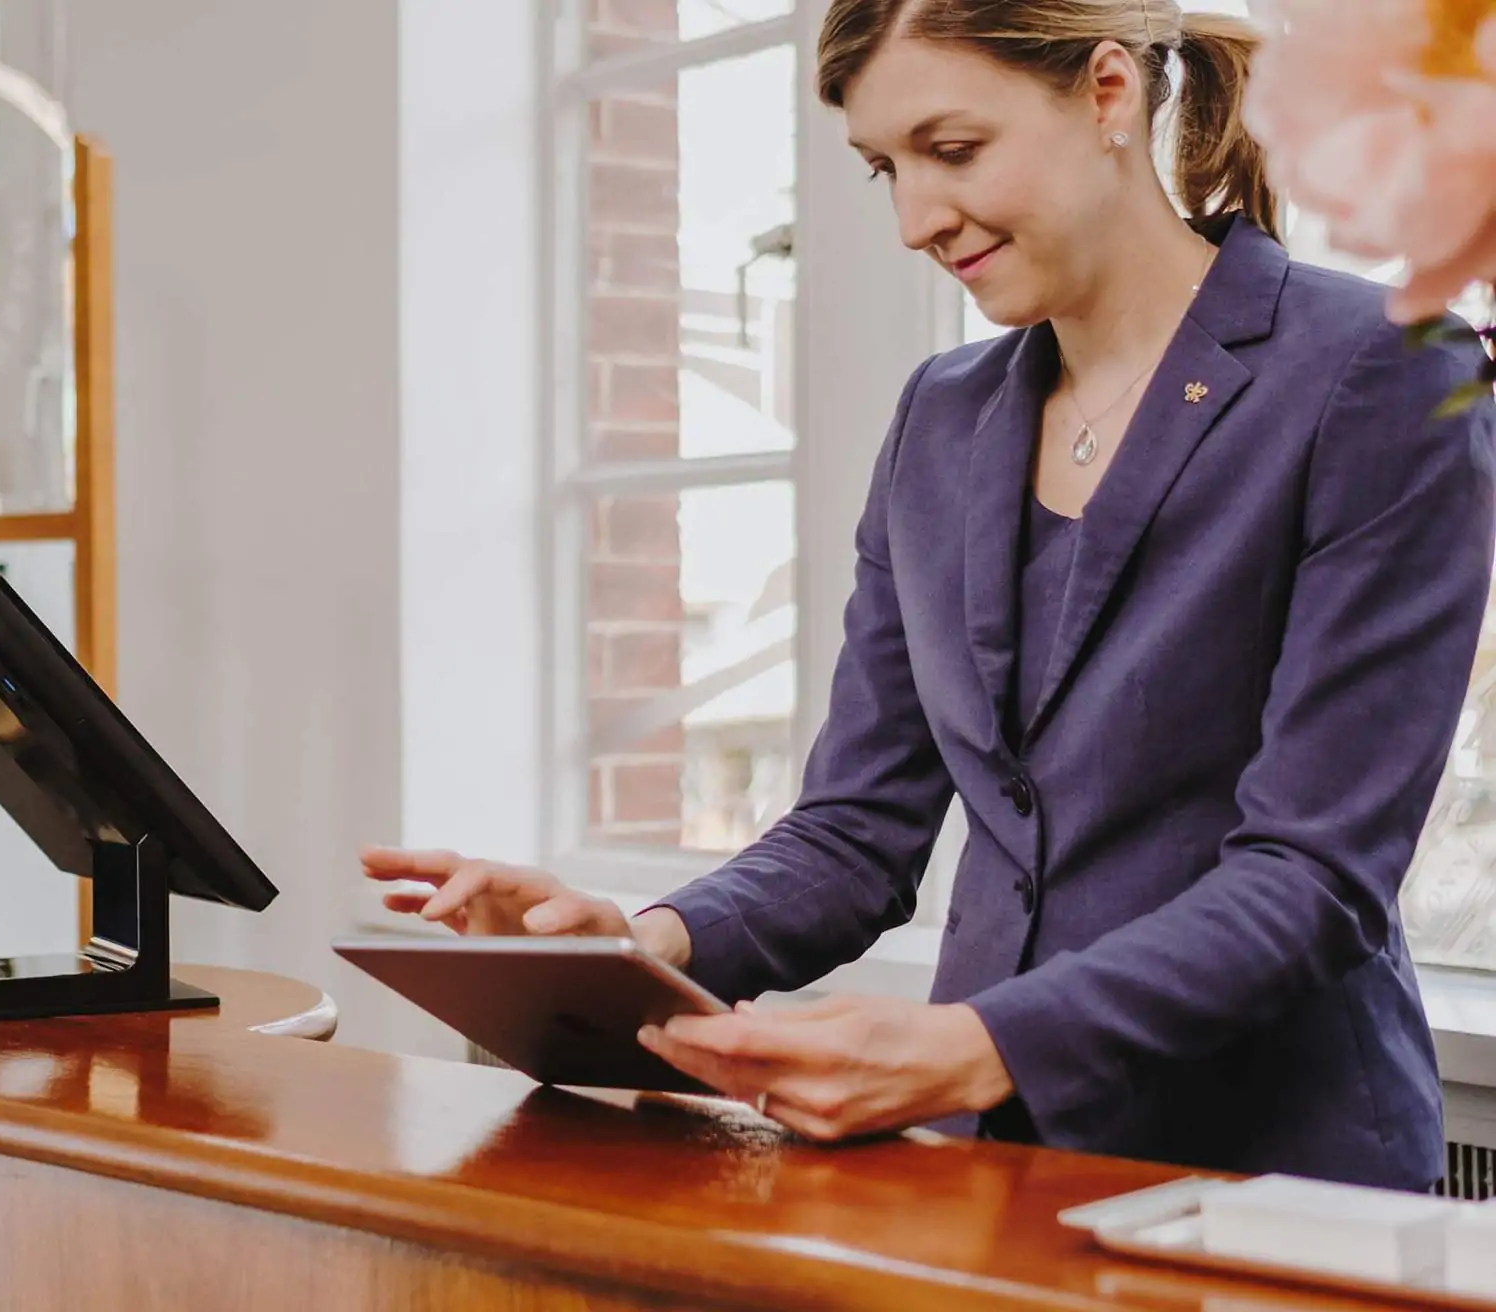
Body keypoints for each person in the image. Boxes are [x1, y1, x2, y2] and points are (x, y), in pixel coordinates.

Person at [365, 0, 1496, 1190]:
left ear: (1109, 92)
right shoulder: (940, 418)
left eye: (952, 151)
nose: (916, 219)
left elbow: (1313, 878)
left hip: (1274, 1179)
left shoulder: (1382, 365)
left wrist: (978, 1044)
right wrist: (638, 946)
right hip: (990, 1171)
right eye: (883, 169)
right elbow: (855, 832)